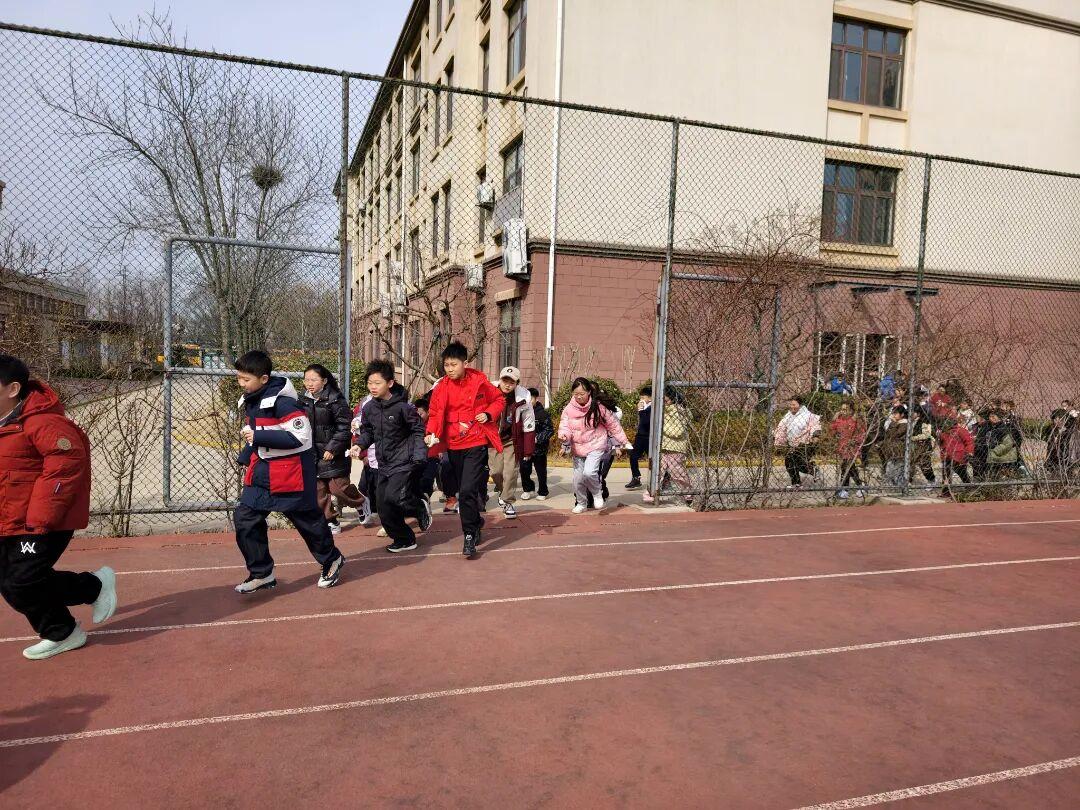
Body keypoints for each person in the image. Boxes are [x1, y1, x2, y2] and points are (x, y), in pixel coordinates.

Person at [0, 354, 117, 660]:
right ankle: (77, 611)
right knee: (10, 584)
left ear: (12, 389)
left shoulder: (43, 421)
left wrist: (39, 521)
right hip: (9, 519)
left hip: (42, 521)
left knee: (22, 580)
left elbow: (65, 466)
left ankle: (70, 620)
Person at [233, 350, 346, 593]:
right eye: (239, 378)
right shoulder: (253, 400)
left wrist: (258, 437)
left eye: (245, 379)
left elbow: (301, 437)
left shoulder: (284, 402)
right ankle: (262, 573)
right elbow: (256, 433)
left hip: (291, 474)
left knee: (308, 523)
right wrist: (245, 454)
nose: (241, 383)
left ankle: (331, 559)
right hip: (263, 472)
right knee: (245, 518)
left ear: (264, 379)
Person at [424, 341, 505, 557]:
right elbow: (434, 413)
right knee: (463, 489)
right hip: (453, 443)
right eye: (446, 365)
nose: (449, 369)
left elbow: (499, 400)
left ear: (465, 363)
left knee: (468, 490)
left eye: (454, 364)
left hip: (476, 441)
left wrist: (488, 413)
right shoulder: (441, 387)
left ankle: (469, 534)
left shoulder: (479, 381)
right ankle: (476, 522)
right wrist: (431, 433)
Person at [350, 360, 431, 553]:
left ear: (390, 383)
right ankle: (405, 539)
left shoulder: (403, 407)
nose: (373, 387)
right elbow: (368, 432)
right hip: (383, 463)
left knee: (395, 497)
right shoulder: (369, 408)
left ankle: (418, 506)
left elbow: (418, 430)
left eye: (377, 383)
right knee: (383, 506)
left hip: (403, 461)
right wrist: (359, 445)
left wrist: (419, 456)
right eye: (370, 383)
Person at [300, 364, 366, 535]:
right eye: (306, 380)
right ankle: (331, 521)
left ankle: (360, 502)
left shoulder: (335, 400)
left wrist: (332, 448)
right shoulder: (302, 400)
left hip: (333, 453)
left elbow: (344, 427)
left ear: (324, 381)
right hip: (311, 453)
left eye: (314, 380)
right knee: (318, 491)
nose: (309, 383)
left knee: (338, 488)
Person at [558, 378, 629, 514]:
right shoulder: (568, 409)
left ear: (589, 392)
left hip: (596, 445)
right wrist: (564, 436)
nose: (579, 397)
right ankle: (581, 503)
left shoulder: (598, 407)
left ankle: (597, 494)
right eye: (576, 394)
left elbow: (613, 425)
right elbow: (564, 426)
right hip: (578, 447)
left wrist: (622, 441)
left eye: (582, 394)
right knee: (578, 480)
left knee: (589, 472)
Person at [488, 366, 535, 520]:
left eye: (512, 382)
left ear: (517, 383)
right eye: (505, 381)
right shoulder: (489, 390)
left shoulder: (523, 396)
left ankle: (508, 501)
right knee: (496, 472)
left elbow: (528, 421)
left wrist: (528, 449)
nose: (507, 385)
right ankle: (503, 492)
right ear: (500, 380)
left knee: (510, 472)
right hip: (493, 439)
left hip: (511, 439)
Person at [773, 396, 822, 490]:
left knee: (797, 460)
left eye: (794, 404)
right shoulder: (788, 416)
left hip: (806, 443)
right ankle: (797, 483)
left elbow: (815, 425)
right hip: (793, 445)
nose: (792, 406)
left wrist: (815, 436)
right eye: (790, 404)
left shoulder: (807, 415)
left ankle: (812, 470)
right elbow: (781, 429)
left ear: (800, 405)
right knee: (789, 461)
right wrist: (778, 441)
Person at [521, 387, 552, 501]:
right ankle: (528, 489)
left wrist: (537, 439)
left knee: (541, 471)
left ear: (536, 399)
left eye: (531, 398)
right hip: (525, 448)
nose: (529, 401)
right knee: (524, 469)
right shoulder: (521, 412)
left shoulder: (542, 414)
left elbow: (549, 430)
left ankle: (543, 491)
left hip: (539, 449)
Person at [830, 401, 865, 499]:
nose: (842, 411)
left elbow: (861, 433)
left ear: (851, 411)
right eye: (841, 409)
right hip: (842, 447)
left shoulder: (855, 420)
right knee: (850, 468)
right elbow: (832, 431)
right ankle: (859, 486)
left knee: (846, 467)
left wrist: (855, 441)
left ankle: (845, 489)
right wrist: (834, 420)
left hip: (852, 448)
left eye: (845, 410)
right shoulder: (839, 420)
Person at [938, 413, 975, 497]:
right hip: (947, 456)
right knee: (946, 474)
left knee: (962, 472)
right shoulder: (943, 433)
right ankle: (946, 491)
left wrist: (969, 452)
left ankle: (968, 486)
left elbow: (969, 442)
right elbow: (941, 444)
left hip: (959, 456)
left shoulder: (960, 430)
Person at [625, 385, 652, 491]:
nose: (641, 400)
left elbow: (645, 421)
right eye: (640, 397)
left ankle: (665, 478)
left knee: (653, 459)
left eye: (643, 397)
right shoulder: (645, 407)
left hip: (649, 437)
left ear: (650, 398)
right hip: (640, 436)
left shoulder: (652, 407)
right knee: (633, 456)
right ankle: (636, 477)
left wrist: (640, 410)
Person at [880, 404, 909, 489]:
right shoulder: (896, 423)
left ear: (902, 414)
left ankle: (900, 488)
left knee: (897, 470)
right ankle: (893, 486)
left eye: (895, 413)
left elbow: (894, 435)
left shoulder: (904, 424)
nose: (893, 415)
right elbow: (888, 433)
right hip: (891, 450)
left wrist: (893, 423)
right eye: (893, 413)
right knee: (890, 470)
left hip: (898, 450)